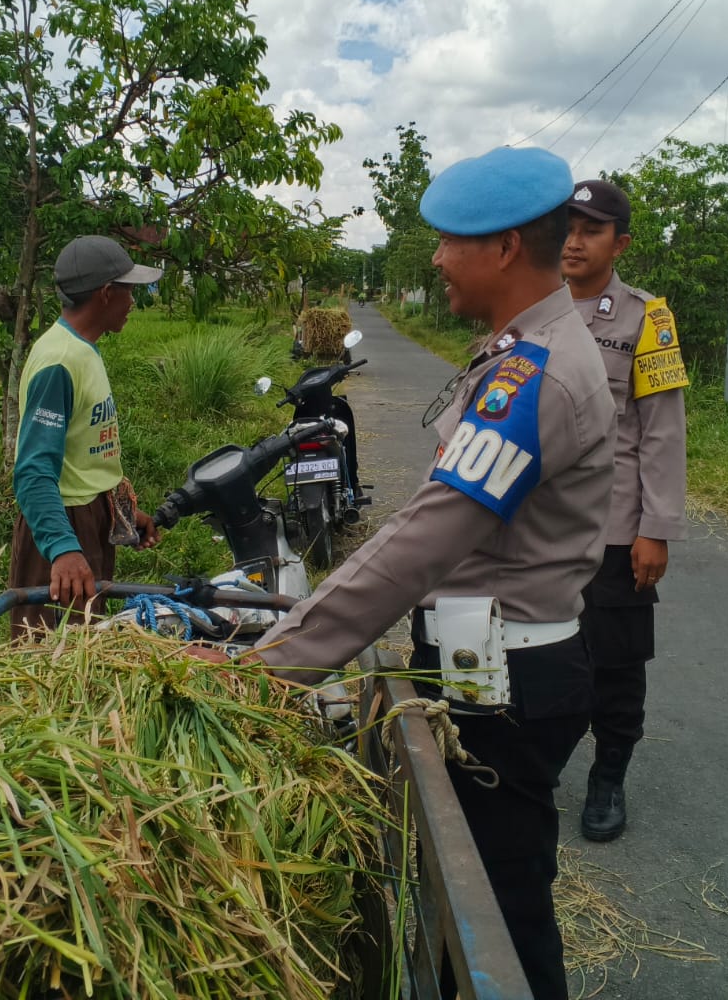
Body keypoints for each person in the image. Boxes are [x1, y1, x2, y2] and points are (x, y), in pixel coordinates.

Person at [203, 146, 617, 999]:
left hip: (503, 685)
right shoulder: (518, 349)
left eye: (448, 240)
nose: (434, 258)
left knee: (499, 921)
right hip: (486, 663)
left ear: (504, 247)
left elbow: (426, 539)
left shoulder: (533, 377)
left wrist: (268, 666)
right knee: (476, 901)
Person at [560, 179, 688, 842]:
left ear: (621, 243)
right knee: (537, 647)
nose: (574, 241)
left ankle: (608, 775)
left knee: (615, 662)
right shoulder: (533, 308)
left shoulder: (647, 319)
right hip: (540, 524)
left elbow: (662, 430)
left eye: (591, 230)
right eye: (567, 227)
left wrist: (655, 529)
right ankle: (539, 757)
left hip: (613, 526)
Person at [10, 235, 163, 635]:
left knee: (88, 644)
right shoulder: (59, 361)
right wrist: (62, 549)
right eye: (129, 290)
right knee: (51, 653)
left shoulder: (83, 350)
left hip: (88, 520)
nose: (133, 302)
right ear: (107, 293)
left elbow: (85, 456)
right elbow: (33, 471)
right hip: (62, 527)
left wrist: (121, 514)